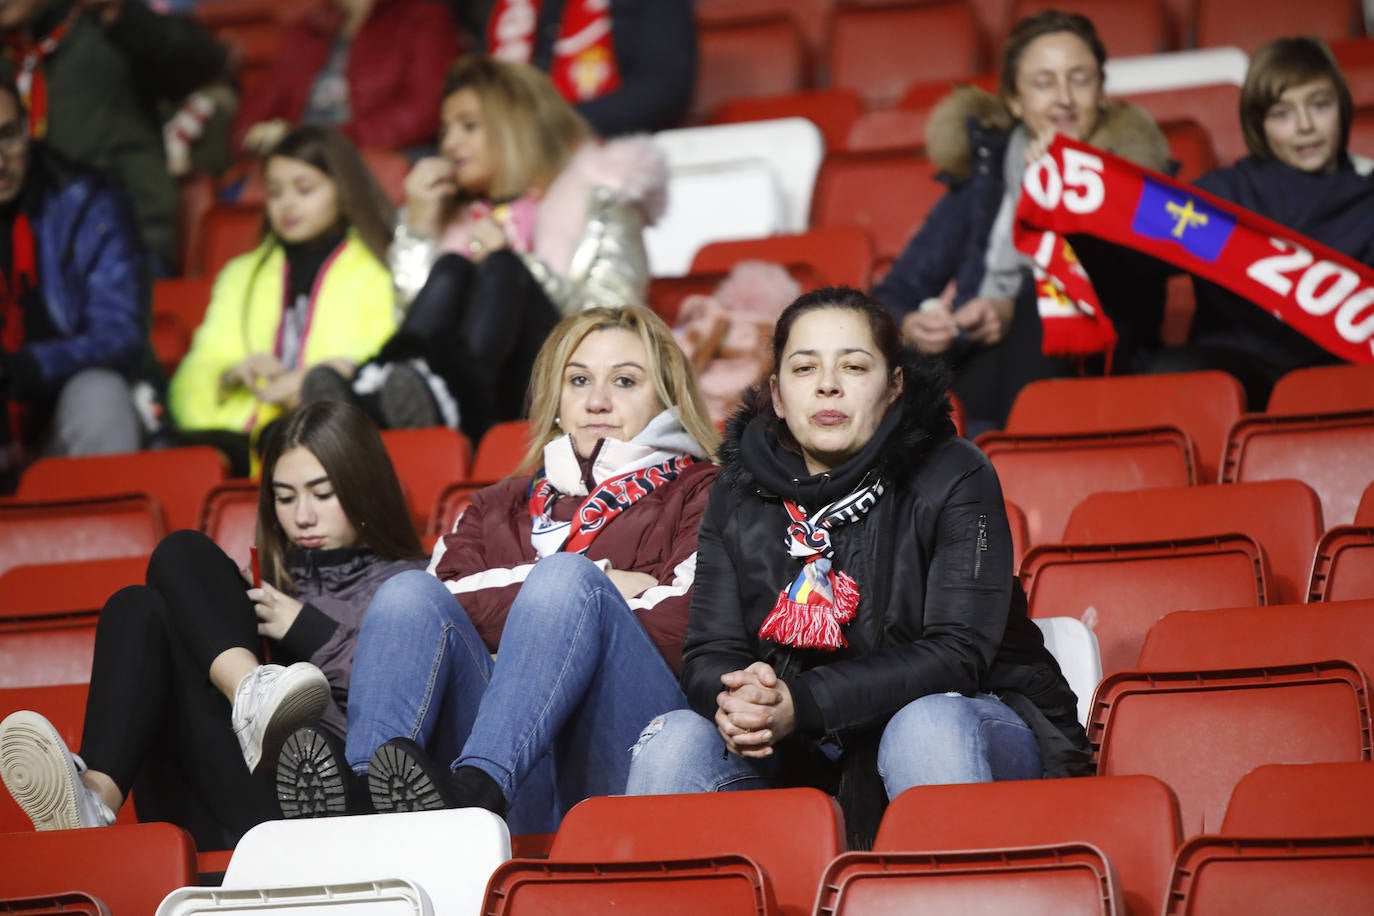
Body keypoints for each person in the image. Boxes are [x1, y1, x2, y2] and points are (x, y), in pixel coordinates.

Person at [624, 287, 1091, 848]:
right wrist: (740, 698)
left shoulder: (956, 474)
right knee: (676, 738)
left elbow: (958, 655)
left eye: (854, 365)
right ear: (776, 394)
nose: (828, 384)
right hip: (802, 742)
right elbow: (708, 649)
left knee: (924, 725)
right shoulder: (737, 489)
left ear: (894, 385)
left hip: (971, 721)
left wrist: (804, 703)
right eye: (804, 368)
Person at [277, 306, 717, 832]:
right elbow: (439, 607)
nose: (597, 400)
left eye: (625, 381)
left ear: (667, 397)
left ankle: (479, 789)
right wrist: (594, 592)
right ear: (556, 399)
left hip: (622, 749)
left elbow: (684, 627)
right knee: (404, 595)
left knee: (563, 582)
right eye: (578, 380)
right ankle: (366, 797)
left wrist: (568, 599)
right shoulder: (494, 505)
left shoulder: (705, 491)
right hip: (515, 753)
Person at [0, 401, 427, 851]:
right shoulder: (264, 582)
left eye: (322, 494)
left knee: (177, 559)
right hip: (215, 792)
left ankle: (254, 695)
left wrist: (307, 629)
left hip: (318, 799)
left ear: (365, 489)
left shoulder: (409, 585)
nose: (302, 516)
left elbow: (404, 703)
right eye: (285, 498)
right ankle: (98, 797)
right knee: (142, 598)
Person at [302, 55, 666, 441]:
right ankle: (373, 390)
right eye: (445, 130)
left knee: (504, 268)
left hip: (558, 385)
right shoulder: (449, 210)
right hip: (446, 395)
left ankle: (451, 395)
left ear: (516, 127)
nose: (449, 143)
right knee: (451, 269)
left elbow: (619, 320)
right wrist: (418, 231)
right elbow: (410, 318)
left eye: (469, 126)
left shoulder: (599, 195)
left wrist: (517, 261)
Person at [873, 10, 1170, 434]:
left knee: (1038, 298)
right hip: (988, 364)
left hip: (1104, 360)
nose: (1064, 98)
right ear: (1015, 99)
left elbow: (1140, 293)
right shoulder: (984, 178)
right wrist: (911, 326)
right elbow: (894, 292)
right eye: (1044, 82)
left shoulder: (1135, 177)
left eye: (1080, 79)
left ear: (1102, 92)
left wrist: (1065, 194)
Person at [1148, 37, 1374, 409]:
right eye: (1281, 113)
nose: (1305, 126)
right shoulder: (1220, 195)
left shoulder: (1367, 200)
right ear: (1258, 124)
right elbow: (1134, 248)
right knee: (1171, 371)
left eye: (1319, 105)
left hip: (1341, 369)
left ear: (1343, 108)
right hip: (1234, 367)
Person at [168, 126, 399, 476]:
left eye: (304, 189)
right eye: (274, 192)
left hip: (331, 434)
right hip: (243, 437)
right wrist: (230, 375)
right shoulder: (241, 274)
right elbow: (201, 365)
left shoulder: (379, 269)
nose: (287, 203)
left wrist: (310, 381)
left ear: (343, 189)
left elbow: (381, 353)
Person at [0, 0, 227, 274]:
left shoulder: (107, 24)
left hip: (124, 245)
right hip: (22, 254)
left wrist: (121, 15)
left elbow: (202, 64)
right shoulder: (8, 55)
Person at [0, 75, 147, 489]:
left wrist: (26, 366)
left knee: (100, 394)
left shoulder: (85, 199)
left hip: (61, 427)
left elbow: (120, 333)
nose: (0, 161)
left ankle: (106, 544)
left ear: (29, 129)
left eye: (8, 137)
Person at [233, 0, 459, 156]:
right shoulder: (308, 27)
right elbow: (264, 100)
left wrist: (328, 139)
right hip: (304, 159)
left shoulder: (423, 17)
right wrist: (253, 134)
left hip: (377, 155)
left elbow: (424, 113)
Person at [451, 0, 696, 137]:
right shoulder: (506, 9)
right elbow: (478, 90)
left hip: (611, 147)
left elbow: (665, 89)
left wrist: (553, 126)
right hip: (514, 157)